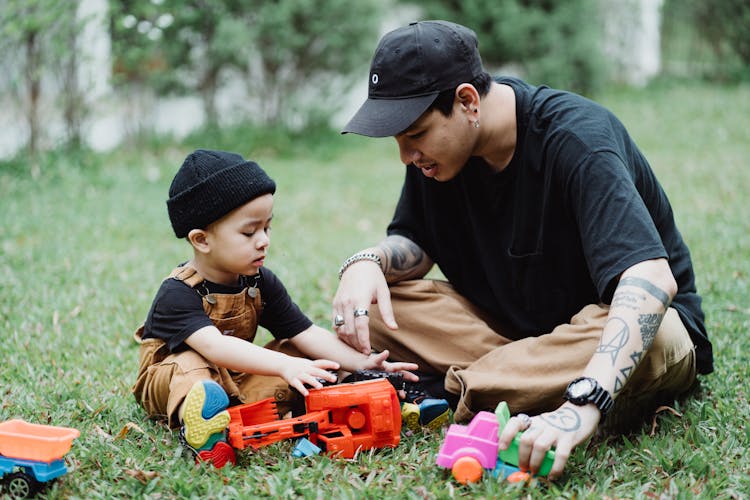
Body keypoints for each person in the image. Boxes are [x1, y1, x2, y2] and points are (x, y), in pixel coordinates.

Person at [332, 20, 713, 480]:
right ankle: (516, 383)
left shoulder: (578, 139)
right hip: (515, 334)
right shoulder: (437, 159)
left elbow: (651, 280)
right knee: (378, 309)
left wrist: (585, 403)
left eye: (414, 134)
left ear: (467, 101)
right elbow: (415, 242)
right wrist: (368, 260)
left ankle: (455, 388)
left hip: (605, 332)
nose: (406, 155)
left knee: (658, 332)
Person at [132, 149, 419, 468]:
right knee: (191, 365)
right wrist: (283, 366)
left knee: (298, 353)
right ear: (201, 240)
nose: (264, 240)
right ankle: (204, 428)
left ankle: (341, 395)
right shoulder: (177, 292)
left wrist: (362, 363)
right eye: (249, 232)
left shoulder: (259, 281)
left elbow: (305, 332)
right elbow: (215, 347)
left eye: (267, 227)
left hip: (234, 377)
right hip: (171, 382)